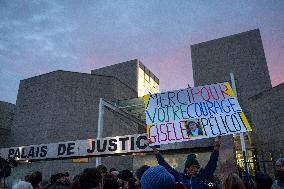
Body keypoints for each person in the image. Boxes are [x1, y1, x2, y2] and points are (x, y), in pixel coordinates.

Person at [148, 136, 221, 189]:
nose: (195, 169)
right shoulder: (179, 177)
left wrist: (217, 145)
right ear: (187, 168)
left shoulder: (203, 176)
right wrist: (154, 149)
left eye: (197, 167)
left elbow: (212, 163)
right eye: (193, 167)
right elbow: (164, 165)